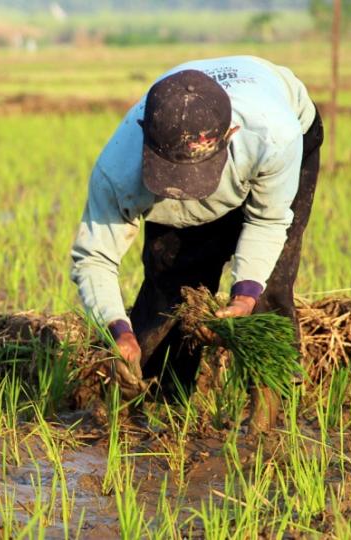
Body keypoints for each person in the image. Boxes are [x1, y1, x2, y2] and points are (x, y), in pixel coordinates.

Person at [70, 56, 323, 428]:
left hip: (284, 140)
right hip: (190, 148)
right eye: (173, 175)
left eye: (194, 178)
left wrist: (245, 295)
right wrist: (118, 332)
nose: (186, 193)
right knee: (174, 283)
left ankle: (270, 410)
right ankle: (161, 404)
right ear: (145, 137)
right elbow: (94, 258)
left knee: (270, 285)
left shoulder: (273, 135)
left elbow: (268, 221)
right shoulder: (118, 171)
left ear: (231, 133)